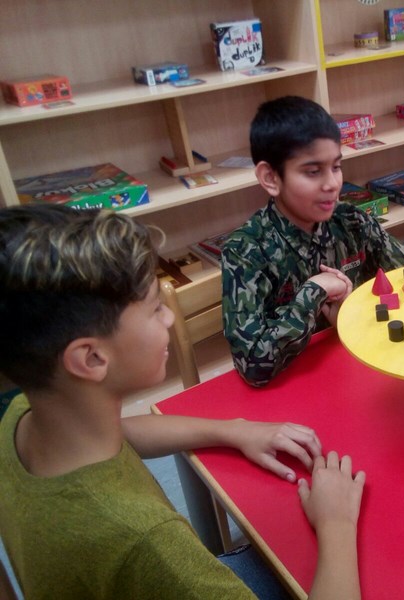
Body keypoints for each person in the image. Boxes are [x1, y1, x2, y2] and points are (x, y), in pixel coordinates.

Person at [0, 205, 365, 599]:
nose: (171, 320)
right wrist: (336, 524)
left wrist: (235, 430)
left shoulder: (22, 417)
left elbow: (125, 433)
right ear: (91, 358)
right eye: (155, 309)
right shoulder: (148, 544)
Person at [222, 96, 404, 387]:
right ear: (270, 178)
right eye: (313, 171)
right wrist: (314, 291)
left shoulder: (351, 221)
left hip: (359, 372)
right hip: (290, 390)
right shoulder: (246, 250)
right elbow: (253, 366)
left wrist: (354, 311)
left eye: (336, 167)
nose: (332, 184)